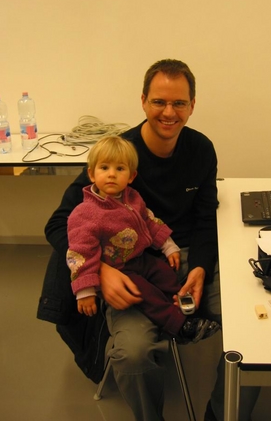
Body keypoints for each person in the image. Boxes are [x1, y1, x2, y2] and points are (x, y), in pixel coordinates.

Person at [43, 59, 259, 421]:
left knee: (253, 334)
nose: (169, 112)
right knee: (133, 354)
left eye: (179, 103)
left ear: (193, 105)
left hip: (186, 257)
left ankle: (221, 414)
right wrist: (102, 273)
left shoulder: (201, 150)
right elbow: (58, 223)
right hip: (129, 266)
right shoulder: (116, 155)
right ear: (143, 101)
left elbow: (206, 218)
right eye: (159, 102)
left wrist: (202, 268)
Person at [66, 135, 220, 343]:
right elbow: (80, 252)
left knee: (166, 275)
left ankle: (183, 310)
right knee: (146, 294)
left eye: (120, 169)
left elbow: (150, 222)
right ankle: (179, 326)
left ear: (131, 176)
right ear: (91, 174)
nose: (112, 174)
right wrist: (85, 290)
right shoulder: (84, 213)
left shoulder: (132, 198)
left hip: (141, 259)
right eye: (104, 168)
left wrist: (169, 247)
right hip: (119, 270)